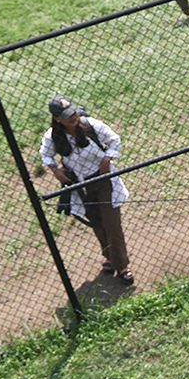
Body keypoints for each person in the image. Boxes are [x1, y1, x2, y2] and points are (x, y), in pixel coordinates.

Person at [38, 96, 132, 284]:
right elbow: (45, 154)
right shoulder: (52, 136)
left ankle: (122, 266)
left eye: (73, 112)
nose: (73, 117)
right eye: (67, 115)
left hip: (104, 180)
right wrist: (55, 170)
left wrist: (106, 160)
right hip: (81, 186)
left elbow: (114, 140)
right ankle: (110, 258)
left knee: (112, 224)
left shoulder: (91, 125)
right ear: (57, 118)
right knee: (97, 223)